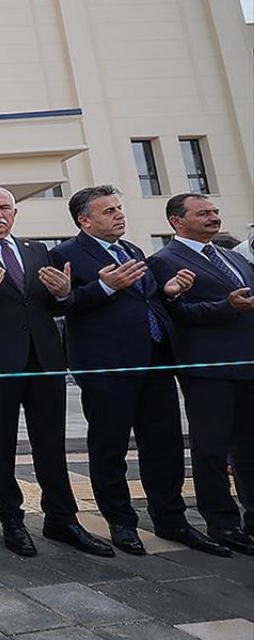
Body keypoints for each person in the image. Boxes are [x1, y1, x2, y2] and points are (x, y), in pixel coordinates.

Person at [51, 185, 228, 557]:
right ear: (85, 220)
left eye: (119, 207)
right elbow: (66, 305)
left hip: (155, 360)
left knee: (163, 446)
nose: (119, 214)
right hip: (108, 368)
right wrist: (104, 285)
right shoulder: (65, 254)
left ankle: (171, 519)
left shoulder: (131, 249)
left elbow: (144, 299)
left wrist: (170, 290)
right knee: (110, 448)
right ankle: (121, 522)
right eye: (108, 211)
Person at [0, 186, 109, 557]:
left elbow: (52, 304)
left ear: (15, 214)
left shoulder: (37, 251)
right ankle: (11, 519)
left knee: (51, 444)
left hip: (44, 361)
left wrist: (65, 293)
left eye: (5, 207)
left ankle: (62, 518)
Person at [147, 192, 254, 555]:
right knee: (211, 449)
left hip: (247, 364)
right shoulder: (164, 261)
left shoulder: (230, 256)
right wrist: (227, 307)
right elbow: (175, 314)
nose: (213, 217)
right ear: (177, 222)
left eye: (215, 211)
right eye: (203, 213)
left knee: (250, 448)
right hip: (207, 369)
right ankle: (222, 523)